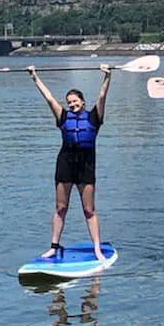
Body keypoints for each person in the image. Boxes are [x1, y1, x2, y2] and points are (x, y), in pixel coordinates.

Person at [28, 64, 112, 260]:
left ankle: (97, 248)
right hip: (65, 164)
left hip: (86, 166)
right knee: (61, 208)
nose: (72, 104)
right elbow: (49, 97)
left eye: (75, 101)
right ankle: (54, 246)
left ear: (82, 102)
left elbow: (102, 96)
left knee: (89, 210)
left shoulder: (94, 117)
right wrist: (35, 77)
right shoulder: (63, 116)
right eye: (69, 102)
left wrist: (107, 76)